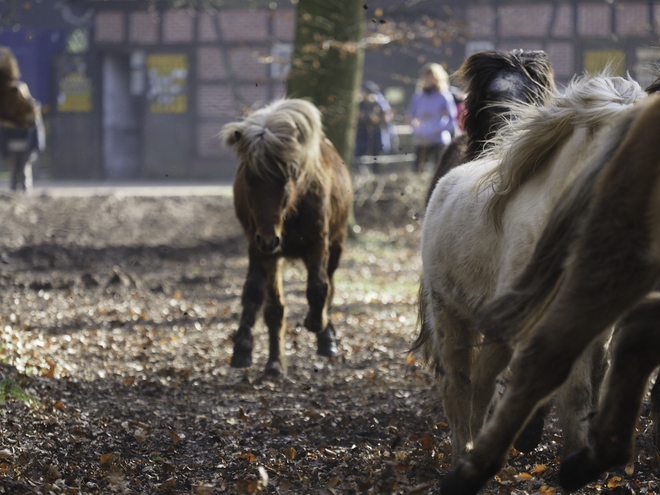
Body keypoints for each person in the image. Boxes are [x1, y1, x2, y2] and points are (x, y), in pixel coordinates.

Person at [0, 49, 43, 191]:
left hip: (26, 146)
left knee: (24, 173)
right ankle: (14, 201)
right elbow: (4, 130)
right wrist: (4, 147)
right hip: (13, 146)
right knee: (14, 174)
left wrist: (35, 147)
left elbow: (36, 129)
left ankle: (25, 201)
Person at [406, 63, 458, 172]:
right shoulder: (418, 96)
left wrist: (439, 129)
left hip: (439, 140)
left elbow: (452, 117)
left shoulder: (444, 96)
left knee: (439, 170)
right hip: (422, 139)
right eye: (426, 76)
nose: (428, 79)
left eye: (431, 76)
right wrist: (415, 126)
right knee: (417, 170)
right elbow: (410, 115)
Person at [355, 80, 396, 158]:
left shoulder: (378, 104)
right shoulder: (361, 104)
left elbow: (384, 118)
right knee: (360, 153)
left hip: (376, 134)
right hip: (362, 134)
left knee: (377, 154)